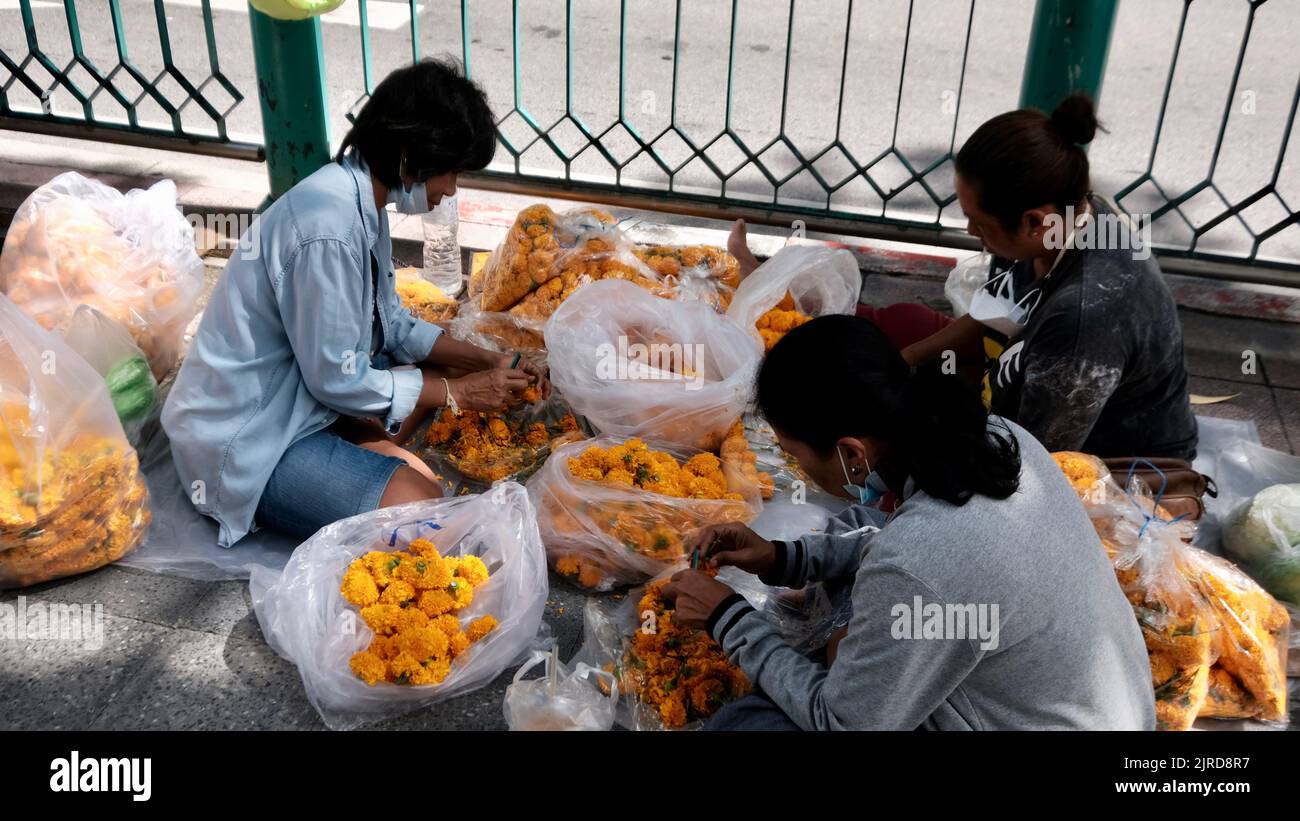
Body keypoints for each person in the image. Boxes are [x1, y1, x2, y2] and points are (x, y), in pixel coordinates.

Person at [661, 314, 1156, 730]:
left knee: (751, 721)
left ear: (851, 452)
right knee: (840, 632)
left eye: (793, 457)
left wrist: (728, 619)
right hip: (1105, 705)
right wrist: (783, 558)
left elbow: (842, 723)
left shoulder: (917, 562)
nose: (795, 472)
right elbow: (913, 547)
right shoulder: (995, 437)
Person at [163, 59, 547, 547]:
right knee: (427, 513)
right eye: (450, 172)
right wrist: (463, 394)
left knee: (435, 398)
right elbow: (338, 379)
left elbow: (395, 326)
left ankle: (362, 447)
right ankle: (350, 456)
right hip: (250, 436)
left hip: (305, 396)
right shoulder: (330, 227)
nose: (451, 189)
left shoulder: (363, 198)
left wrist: (491, 361)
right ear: (410, 155)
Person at [727, 93, 1198, 460]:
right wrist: (901, 364)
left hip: (1098, 463)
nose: (971, 231)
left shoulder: (1083, 320)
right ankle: (776, 298)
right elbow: (994, 315)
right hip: (1009, 374)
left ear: (1034, 220)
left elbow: (1033, 463)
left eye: (981, 224)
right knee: (900, 324)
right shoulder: (1063, 217)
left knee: (905, 453)